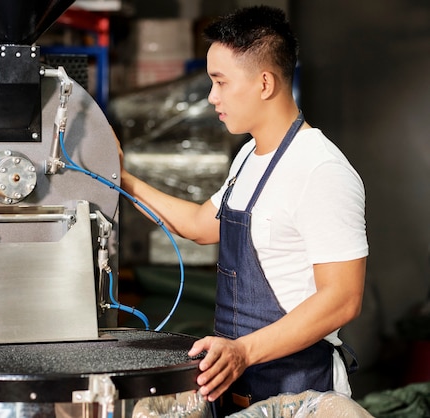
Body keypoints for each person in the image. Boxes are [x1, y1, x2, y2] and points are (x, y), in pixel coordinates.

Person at [116, 5, 368, 414]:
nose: (212, 96)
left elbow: (342, 299)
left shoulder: (320, 170)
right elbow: (200, 225)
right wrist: (121, 178)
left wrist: (244, 352)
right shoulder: (250, 155)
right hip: (242, 382)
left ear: (264, 82)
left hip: (301, 389)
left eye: (220, 81)